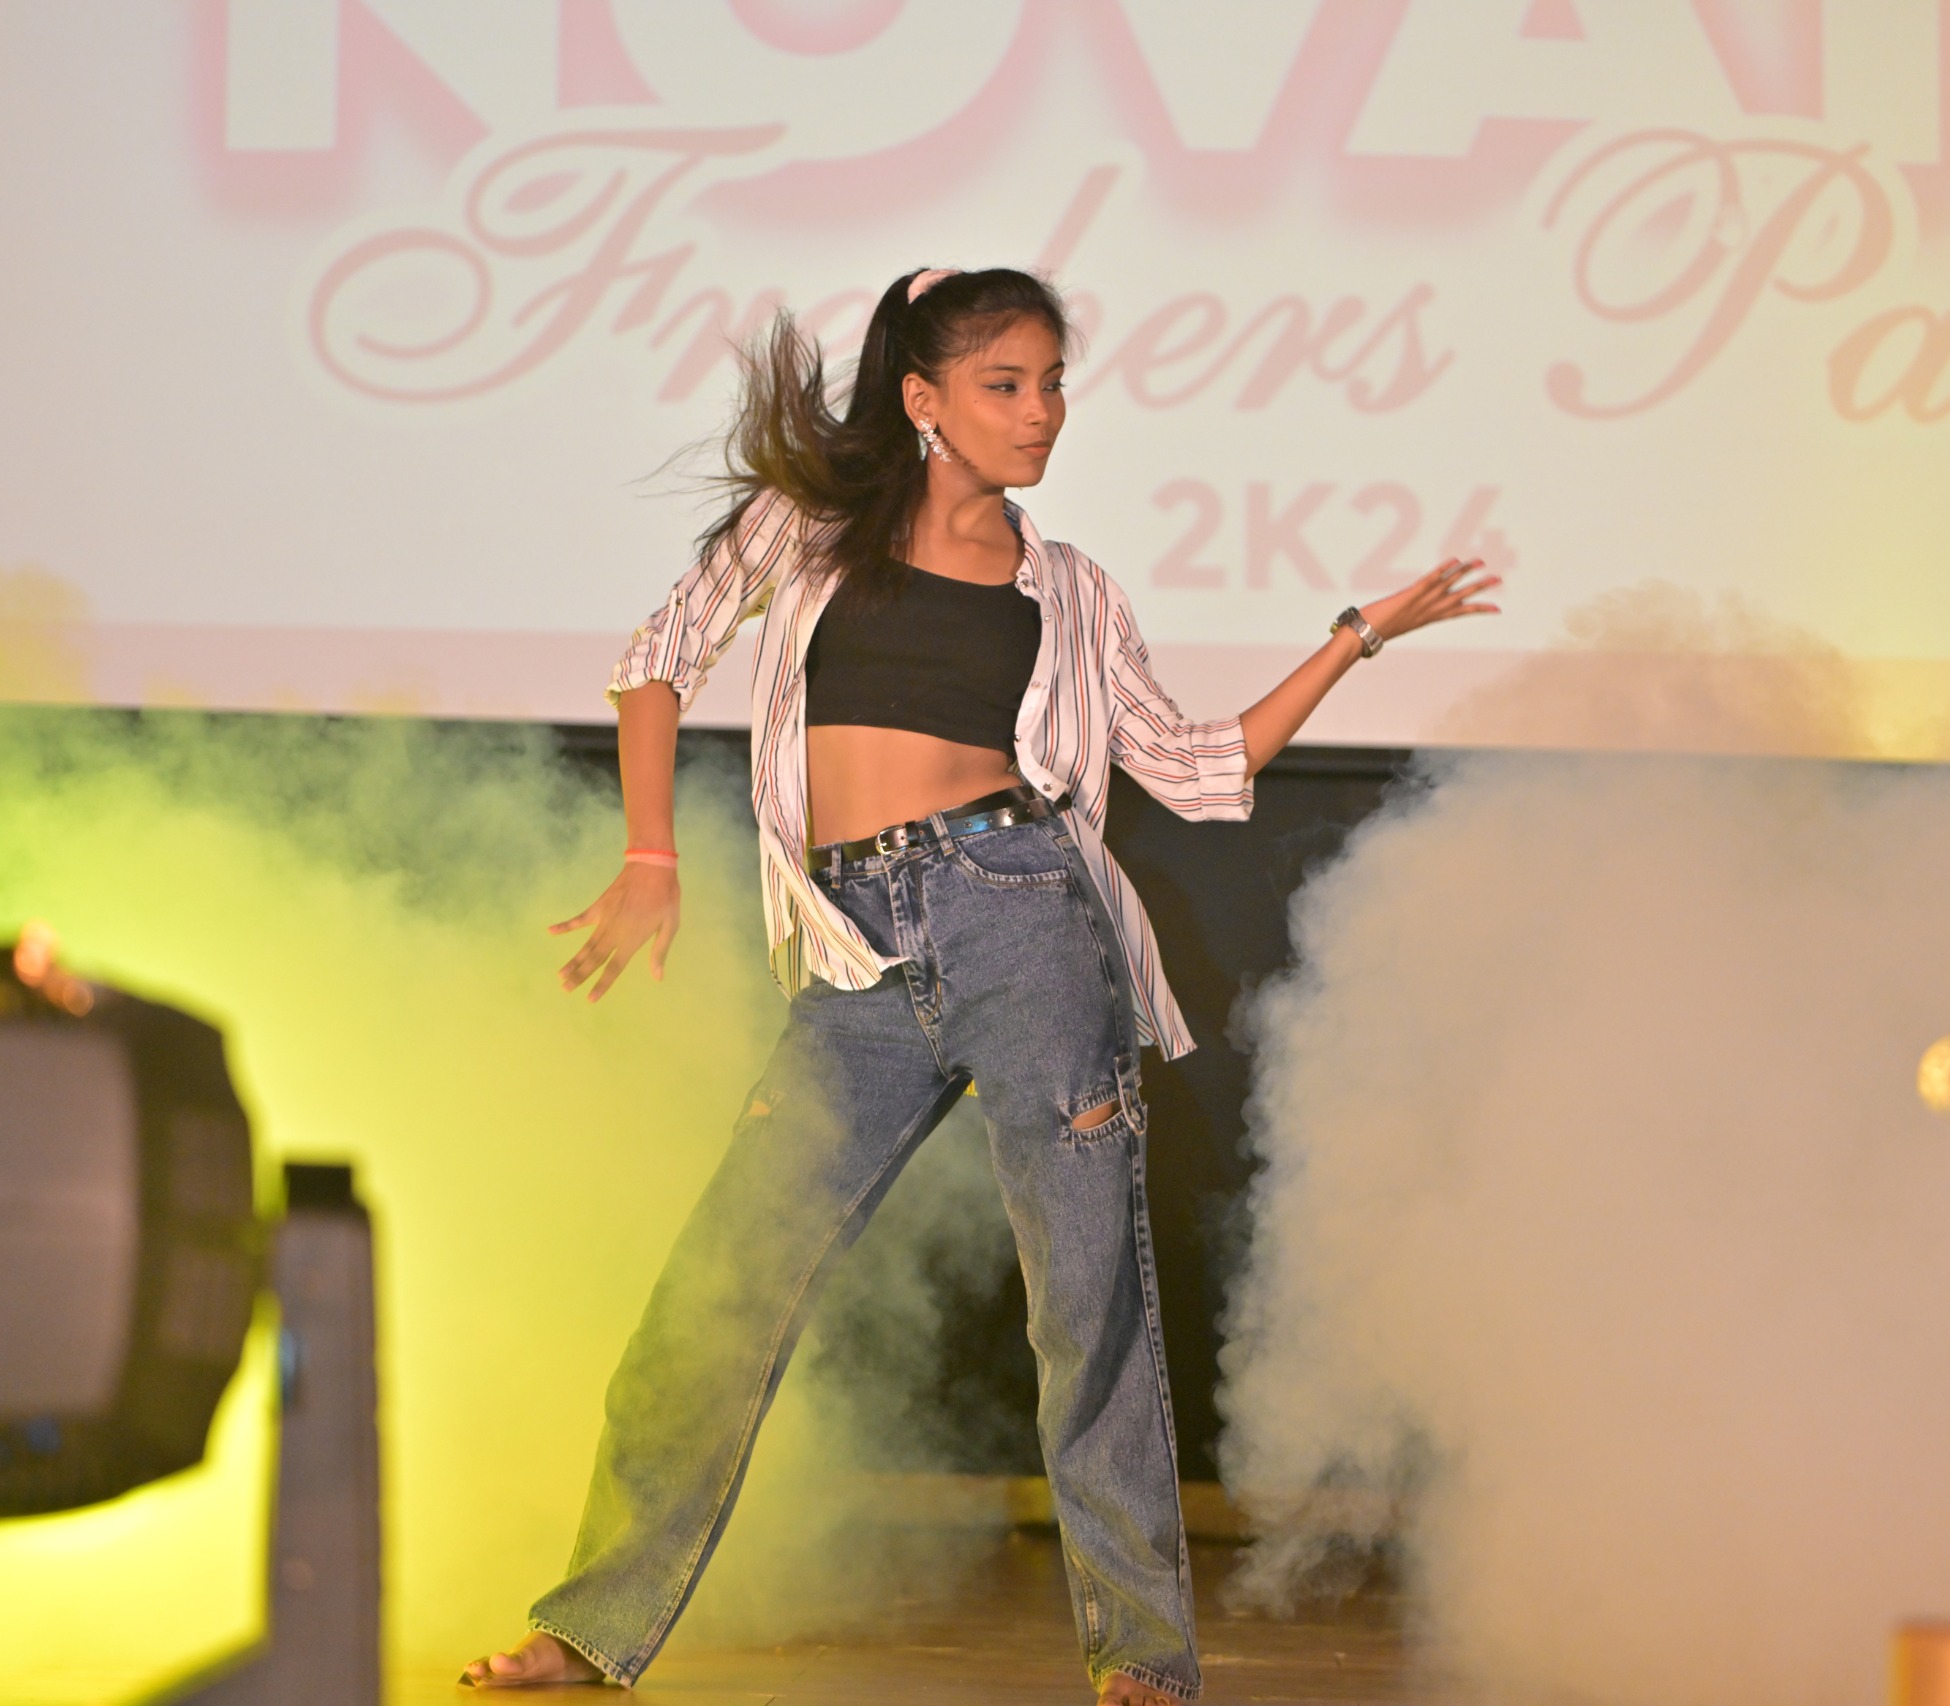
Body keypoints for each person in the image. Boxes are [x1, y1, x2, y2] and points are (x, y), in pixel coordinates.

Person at [463, 266, 1498, 1702]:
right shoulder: (806, 528)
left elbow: (1198, 768)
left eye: (1054, 383)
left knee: (1090, 1313)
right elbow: (658, 661)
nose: (1042, 412)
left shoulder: (1069, 590)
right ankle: (590, 1626)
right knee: (719, 1290)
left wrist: (1356, 635)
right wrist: (650, 851)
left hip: (1026, 924)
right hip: (855, 956)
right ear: (923, 400)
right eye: (1007, 384)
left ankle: (1140, 1659)